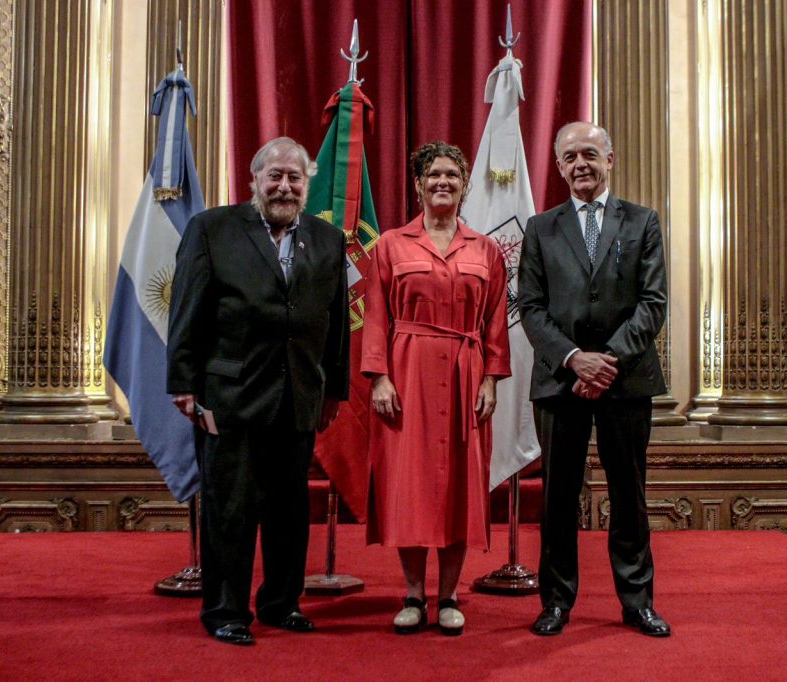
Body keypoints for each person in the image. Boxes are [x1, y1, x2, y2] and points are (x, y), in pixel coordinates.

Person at [167, 136, 349, 646]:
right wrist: (182, 381)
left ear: (307, 185)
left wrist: (334, 387)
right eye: (275, 176)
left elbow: (335, 325)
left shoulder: (327, 240)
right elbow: (186, 309)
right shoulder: (212, 229)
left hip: (298, 395)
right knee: (230, 508)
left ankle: (281, 602)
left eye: (295, 178)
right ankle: (226, 610)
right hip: (229, 395)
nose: (285, 187)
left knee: (290, 508)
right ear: (255, 181)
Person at [518, 121, 671, 637]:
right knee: (558, 496)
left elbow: (653, 304)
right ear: (558, 166)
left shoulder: (643, 221)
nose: (579, 164)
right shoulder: (540, 228)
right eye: (569, 157)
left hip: (625, 381)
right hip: (560, 382)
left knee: (629, 494)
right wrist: (575, 359)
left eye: (589, 154)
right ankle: (556, 603)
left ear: (611, 158)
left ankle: (637, 602)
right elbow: (531, 309)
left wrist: (606, 361)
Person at [361, 141, 511, 636]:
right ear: (418, 185)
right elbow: (377, 317)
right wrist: (379, 377)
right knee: (411, 484)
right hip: (407, 375)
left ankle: (447, 596)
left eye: (452, 174)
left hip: (467, 377)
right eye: (433, 175)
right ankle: (411, 594)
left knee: (458, 486)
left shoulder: (486, 249)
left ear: (466, 184)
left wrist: (491, 378)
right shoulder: (389, 244)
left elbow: (494, 323)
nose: (442, 181)